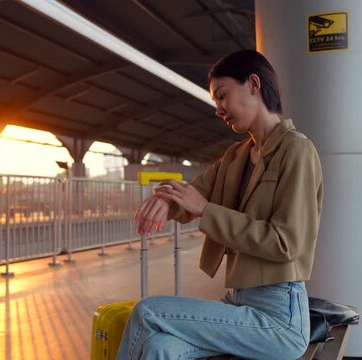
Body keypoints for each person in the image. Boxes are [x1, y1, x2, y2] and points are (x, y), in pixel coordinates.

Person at [117, 50, 323, 360]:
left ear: (253, 84)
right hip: (239, 306)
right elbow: (194, 193)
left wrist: (206, 211)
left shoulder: (297, 151)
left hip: (279, 318)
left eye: (222, 96)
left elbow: (286, 243)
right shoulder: (236, 157)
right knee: (161, 348)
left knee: (147, 312)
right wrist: (165, 199)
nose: (219, 110)